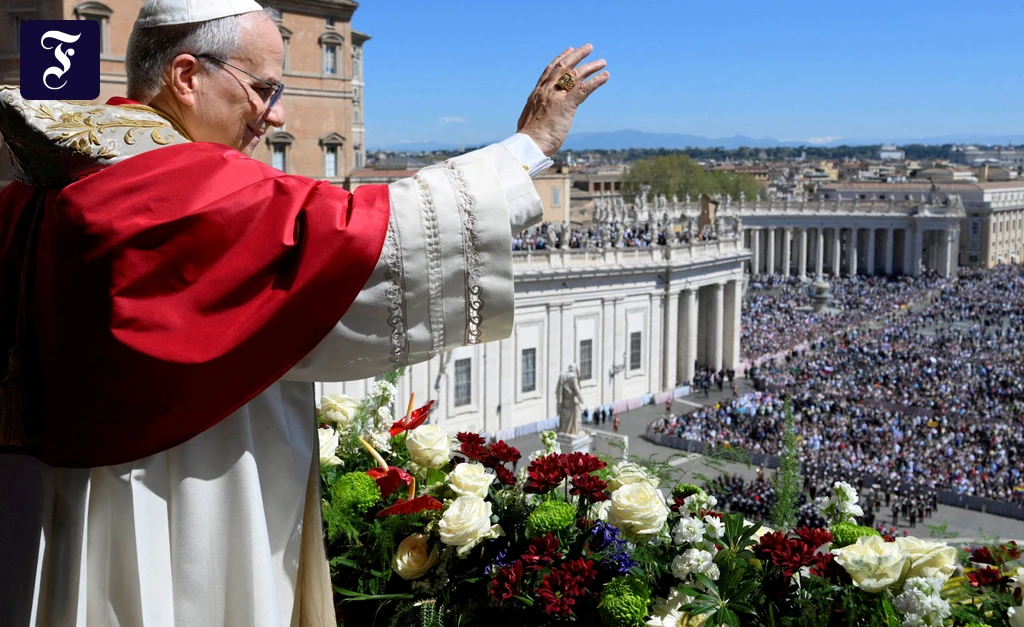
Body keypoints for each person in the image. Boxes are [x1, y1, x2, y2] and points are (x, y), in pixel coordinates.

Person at [0, 1, 609, 624]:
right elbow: (355, 237)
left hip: (53, 503)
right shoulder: (171, 188)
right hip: (176, 500)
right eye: (264, 90)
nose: (278, 115)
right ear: (186, 77)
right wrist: (528, 147)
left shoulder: (42, 182)